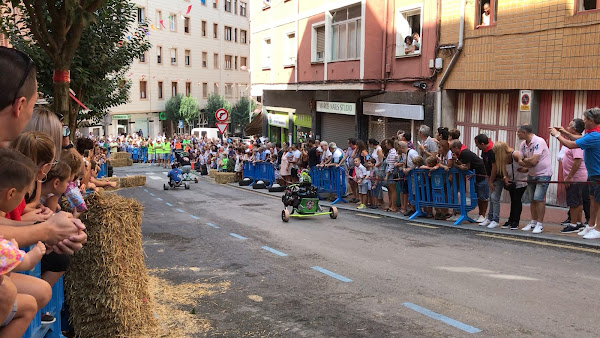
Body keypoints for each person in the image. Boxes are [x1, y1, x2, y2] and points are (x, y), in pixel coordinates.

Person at [550, 108, 600, 239]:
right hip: (593, 173)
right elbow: (578, 138)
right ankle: (590, 225)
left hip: (598, 173)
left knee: (598, 202)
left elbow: (571, 144)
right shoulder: (593, 133)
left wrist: (556, 135)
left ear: (591, 120)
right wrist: (563, 131)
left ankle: (598, 229)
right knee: (593, 200)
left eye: (585, 119)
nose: (583, 121)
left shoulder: (595, 135)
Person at [517, 124, 553, 234]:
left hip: (543, 174)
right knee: (532, 199)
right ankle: (533, 221)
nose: (517, 134)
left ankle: (540, 224)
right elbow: (520, 160)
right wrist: (527, 161)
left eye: (518, 132)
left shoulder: (539, 141)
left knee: (538, 198)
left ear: (524, 132)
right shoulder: (523, 144)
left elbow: (533, 161)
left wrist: (525, 161)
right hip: (531, 173)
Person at [554, 119, 588, 234]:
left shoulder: (577, 143)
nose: (567, 126)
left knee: (573, 201)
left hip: (575, 177)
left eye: (569, 125)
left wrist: (569, 177)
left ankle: (573, 224)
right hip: (577, 177)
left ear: (574, 129)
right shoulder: (576, 140)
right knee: (578, 201)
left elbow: (577, 161)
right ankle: (578, 222)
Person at [451, 140, 488, 222]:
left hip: (480, 174)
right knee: (478, 195)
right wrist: (457, 161)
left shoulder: (465, 153)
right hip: (475, 175)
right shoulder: (461, 154)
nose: (451, 151)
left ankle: (483, 215)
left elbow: (465, 167)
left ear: (456, 148)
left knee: (482, 196)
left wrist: (458, 165)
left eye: (452, 149)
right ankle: (480, 214)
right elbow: (461, 164)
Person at [492, 142, 527, 230]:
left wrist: (525, 169)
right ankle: (511, 220)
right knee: (513, 201)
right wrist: (505, 177)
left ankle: (515, 221)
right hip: (512, 181)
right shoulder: (502, 158)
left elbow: (527, 163)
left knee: (517, 200)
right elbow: (503, 169)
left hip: (521, 180)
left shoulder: (515, 154)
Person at [474, 134, 497, 227]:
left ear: (482, 143)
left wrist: (490, 180)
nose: (476, 146)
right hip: (487, 174)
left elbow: (494, 167)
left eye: (477, 144)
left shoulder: (491, 151)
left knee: (492, 198)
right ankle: (486, 216)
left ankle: (493, 218)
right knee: (486, 197)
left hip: (494, 177)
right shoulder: (484, 151)